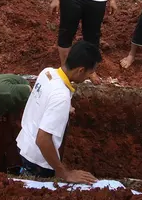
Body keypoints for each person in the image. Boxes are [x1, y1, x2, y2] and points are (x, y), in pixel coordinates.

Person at [16, 41, 101, 183]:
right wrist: (64, 173)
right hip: (38, 161)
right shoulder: (61, 97)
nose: (89, 77)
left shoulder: (47, 72)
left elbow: (46, 99)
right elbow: (43, 139)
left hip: (23, 144)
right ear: (80, 70)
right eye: (90, 72)